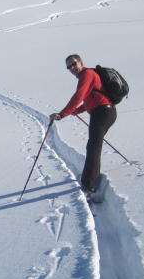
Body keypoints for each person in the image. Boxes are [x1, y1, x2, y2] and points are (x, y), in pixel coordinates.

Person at [50, 54, 117, 196]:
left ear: (81, 62)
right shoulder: (85, 76)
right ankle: (90, 179)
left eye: (74, 64)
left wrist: (62, 114)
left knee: (93, 146)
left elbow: (79, 96)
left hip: (103, 113)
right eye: (69, 67)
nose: (72, 68)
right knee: (93, 145)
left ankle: (89, 185)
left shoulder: (87, 74)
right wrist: (77, 110)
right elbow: (91, 99)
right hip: (103, 112)